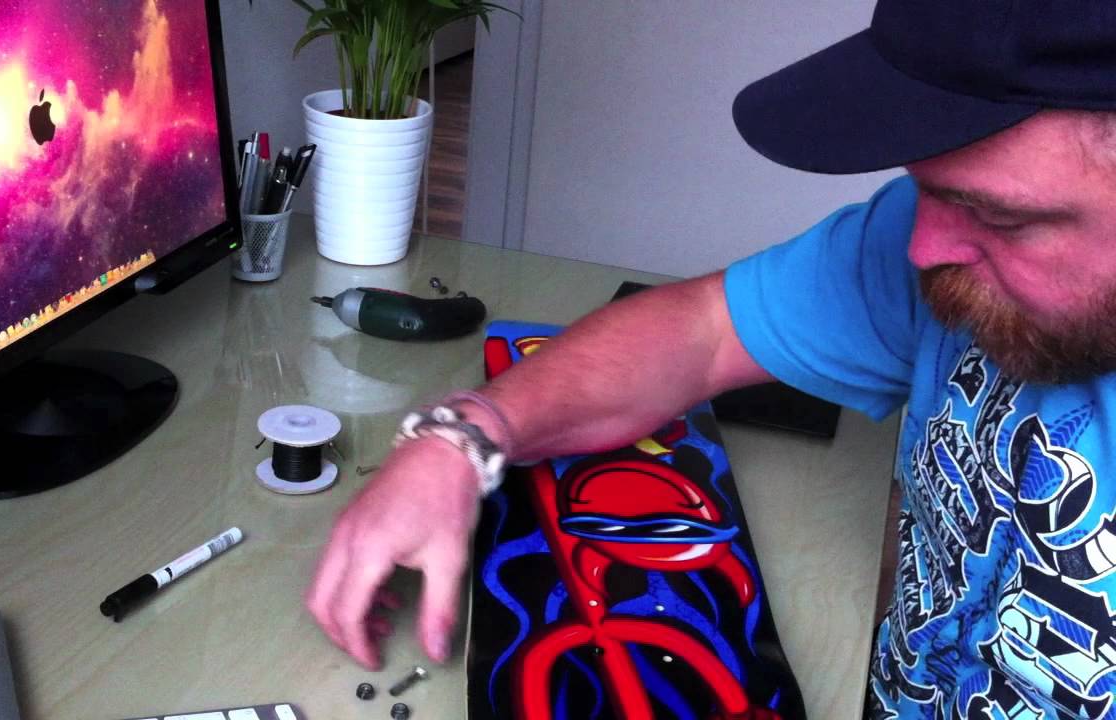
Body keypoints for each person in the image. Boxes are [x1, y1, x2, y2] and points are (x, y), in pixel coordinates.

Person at [307, 1, 1116, 717]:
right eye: (926, 188)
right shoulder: (928, 240)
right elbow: (702, 331)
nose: (922, 247)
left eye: (1002, 219)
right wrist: (462, 439)